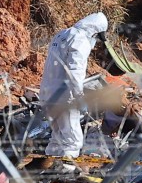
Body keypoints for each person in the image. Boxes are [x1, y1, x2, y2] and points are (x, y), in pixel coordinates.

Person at [39, 12, 108, 159]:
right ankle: (63, 172)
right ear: (94, 31)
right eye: (96, 38)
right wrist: (79, 97)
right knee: (73, 141)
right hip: (65, 97)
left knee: (57, 138)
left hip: (47, 93)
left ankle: (45, 171)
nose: (95, 42)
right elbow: (74, 72)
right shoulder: (81, 40)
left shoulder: (62, 34)